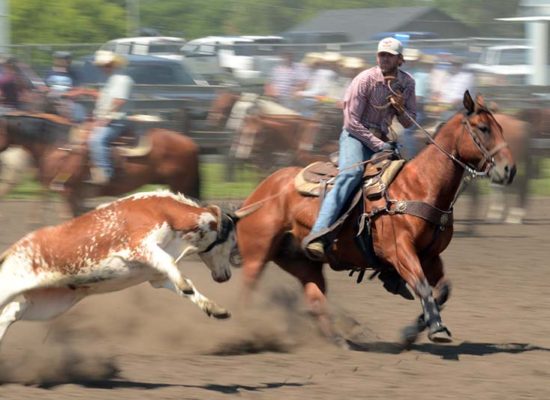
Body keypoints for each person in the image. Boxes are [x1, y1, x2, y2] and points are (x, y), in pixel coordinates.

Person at [303, 37, 417, 260]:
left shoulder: (408, 83)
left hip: (383, 138)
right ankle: (318, 233)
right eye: (381, 54)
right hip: (355, 136)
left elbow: (409, 122)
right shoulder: (364, 80)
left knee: (404, 178)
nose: (384, 59)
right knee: (352, 174)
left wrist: (401, 109)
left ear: (399, 60)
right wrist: (379, 145)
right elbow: (351, 122)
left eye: (389, 55)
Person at [86, 50, 134, 185]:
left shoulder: (122, 80)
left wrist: (103, 120)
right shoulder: (111, 79)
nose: (103, 68)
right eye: (102, 66)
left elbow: (119, 101)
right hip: (108, 119)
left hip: (117, 120)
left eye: (106, 65)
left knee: (96, 140)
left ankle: (105, 172)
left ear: (113, 65)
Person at [44, 51, 86, 122]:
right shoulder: (49, 72)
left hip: (67, 101)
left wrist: (67, 94)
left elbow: (79, 90)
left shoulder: (75, 73)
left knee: (78, 115)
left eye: (65, 59)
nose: (61, 61)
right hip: (51, 101)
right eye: (59, 59)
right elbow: (45, 87)